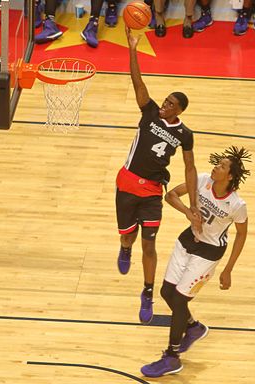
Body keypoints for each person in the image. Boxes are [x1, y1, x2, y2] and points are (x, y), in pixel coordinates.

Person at [141, 146, 251, 377]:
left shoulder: (237, 205)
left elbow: (241, 234)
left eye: (221, 166)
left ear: (229, 176)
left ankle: (172, 357)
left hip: (209, 253)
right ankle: (193, 327)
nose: (215, 166)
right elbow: (170, 195)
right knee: (166, 292)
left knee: (180, 300)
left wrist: (228, 269)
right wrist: (188, 212)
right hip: (187, 240)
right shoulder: (202, 181)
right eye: (217, 163)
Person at [116, 27, 201, 325]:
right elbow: (136, 80)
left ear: (180, 111)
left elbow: (190, 169)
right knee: (129, 236)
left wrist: (194, 206)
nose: (164, 106)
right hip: (127, 183)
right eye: (164, 102)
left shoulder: (185, 135)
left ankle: (147, 293)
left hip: (152, 191)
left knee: (149, 245)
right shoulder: (149, 112)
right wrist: (132, 47)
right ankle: (124, 247)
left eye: (170, 105)